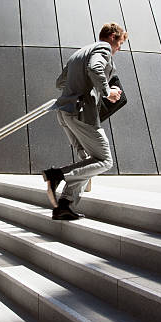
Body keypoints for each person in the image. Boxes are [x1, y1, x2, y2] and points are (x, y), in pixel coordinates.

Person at [42, 22, 128, 220]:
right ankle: (56, 175)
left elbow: (60, 82)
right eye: (120, 44)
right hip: (81, 112)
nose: (119, 49)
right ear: (113, 37)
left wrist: (79, 85)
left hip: (65, 111)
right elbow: (95, 67)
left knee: (89, 161)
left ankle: (64, 205)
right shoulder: (103, 48)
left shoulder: (79, 53)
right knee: (105, 160)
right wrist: (108, 92)